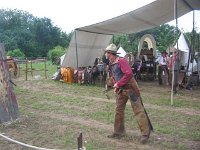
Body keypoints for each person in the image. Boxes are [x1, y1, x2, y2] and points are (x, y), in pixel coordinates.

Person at [105, 43, 153, 144]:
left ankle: (145, 134)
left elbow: (129, 74)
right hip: (121, 90)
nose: (106, 55)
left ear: (111, 53)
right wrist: (115, 85)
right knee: (118, 110)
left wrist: (118, 84)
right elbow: (114, 76)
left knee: (138, 111)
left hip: (131, 89)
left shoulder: (121, 61)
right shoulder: (111, 63)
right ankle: (118, 132)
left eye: (107, 53)